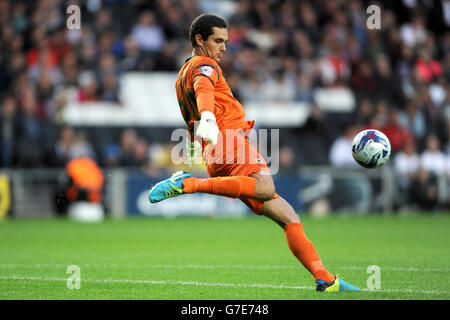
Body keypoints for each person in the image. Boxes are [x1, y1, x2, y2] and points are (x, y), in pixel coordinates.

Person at [149, 14, 359, 292]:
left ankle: (325, 278)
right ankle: (189, 183)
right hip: (227, 139)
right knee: (265, 185)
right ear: (199, 40)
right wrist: (210, 117)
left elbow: (195, 104)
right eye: (218, 41)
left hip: (213, 150)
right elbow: (203, 89)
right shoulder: (204, 65)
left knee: (288, 217)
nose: (224, 47)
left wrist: (201, 131)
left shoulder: (181, 74)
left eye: (226, 41)